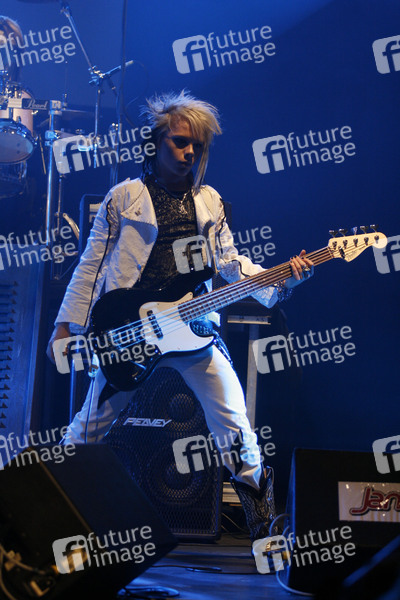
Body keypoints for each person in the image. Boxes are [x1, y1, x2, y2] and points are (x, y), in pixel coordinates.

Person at [47, 91, 314, 565]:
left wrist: (280, 279)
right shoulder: (123, 197)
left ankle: (265, 532)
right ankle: (46, 517)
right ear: (156, 143)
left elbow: (230, 263)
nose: (190, 152)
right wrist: (67, 325)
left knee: (236, 427)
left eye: (197, 146)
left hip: (193, 329)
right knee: (87, 430)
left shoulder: (209, 201)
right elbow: (91, 265)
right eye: (180, 142)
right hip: (130, 328)